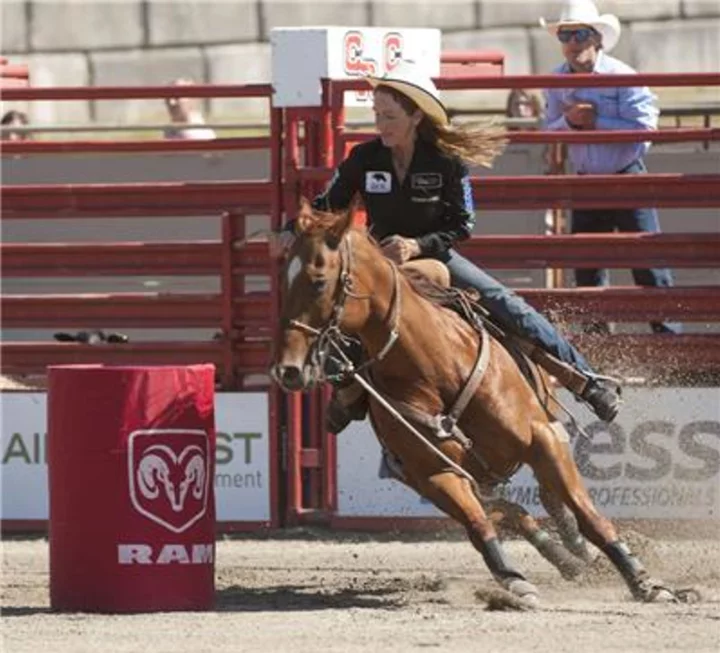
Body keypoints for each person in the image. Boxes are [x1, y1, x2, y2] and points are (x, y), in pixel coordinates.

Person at [285, 60, 621, 430]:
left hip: (435, 256)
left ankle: (587, 381)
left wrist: (416, 245)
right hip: (381, 265)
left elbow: (462, 224)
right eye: (377, 114)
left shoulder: (445, 160)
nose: (380, 124)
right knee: (329, 310)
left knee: (509, 305)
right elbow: (327, 204)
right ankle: (347, 391)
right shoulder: (364, 159)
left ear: (415, 117)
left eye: (389, 116)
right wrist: (289, 230)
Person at [541, 0, 681, 335]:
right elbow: (547, 128)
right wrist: (571, 122)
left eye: (579, 34)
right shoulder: (555, 80)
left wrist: (595, 121)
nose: (572, 43)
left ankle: (670, 341)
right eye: (566, 35)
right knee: (588, 267)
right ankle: (598, 346)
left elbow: (646, 129)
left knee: (647, 264)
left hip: (625, 176)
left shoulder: (623, 76)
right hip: (588, 181)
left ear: (597, 39)